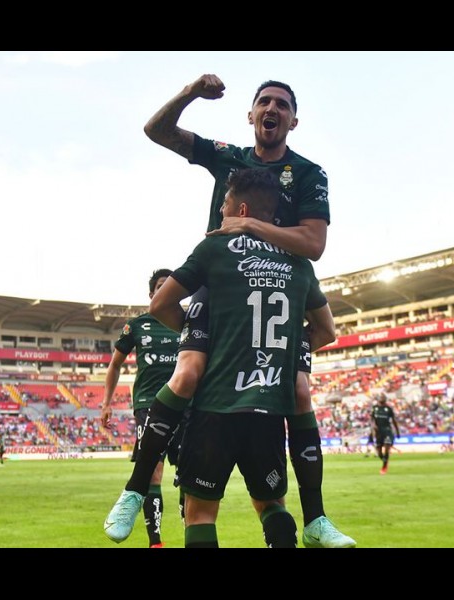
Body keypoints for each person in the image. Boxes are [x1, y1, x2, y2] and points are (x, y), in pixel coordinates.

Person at [105, 74, 353, 549]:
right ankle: (135, 490)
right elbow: (157, 131)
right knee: (188, 370)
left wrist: (250, 226)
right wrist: (190, 93)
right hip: (218, 287)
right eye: (264, 102)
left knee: (300, 389)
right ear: (251, 114)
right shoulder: (229, 157)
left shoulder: (308, 173)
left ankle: (317, 517)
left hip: (276, 292)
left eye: (282, 104)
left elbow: (314, 244)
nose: (272, 109)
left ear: (293, 121)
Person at [150, 168, 334, 547]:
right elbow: (327, 331)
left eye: (225, 205)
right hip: (269, 406)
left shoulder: (215, 249)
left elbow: (160, 305)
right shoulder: (299, 263)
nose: (221, 212)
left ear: (241, 209)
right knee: (271, 504)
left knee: (200, 513)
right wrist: (282, 355)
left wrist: (201, 339)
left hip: (215, 405)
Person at [102, 269, 181, 548]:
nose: (165, 289)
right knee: (153, 471)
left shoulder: (190, 322)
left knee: (190, 472)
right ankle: (155, 542)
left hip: (188, 404)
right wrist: (107, 403)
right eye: (160, 286)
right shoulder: (137, 325)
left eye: (170, 285)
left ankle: (193, 532)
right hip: (149, 404)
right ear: (151, 294)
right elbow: (115, 364)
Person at [371, 393, 400, 475]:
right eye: (381, 397)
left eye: (383, 398)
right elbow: (372, 419)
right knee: (379, 452)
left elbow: (394, 420)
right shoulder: (375, 408)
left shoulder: (388, 409)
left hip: (387, 430)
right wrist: (373, 426)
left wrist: (397, 431)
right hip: (378, 432)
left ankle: (384, 467)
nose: (382, 399)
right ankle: (385, 461)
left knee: (387, 447)